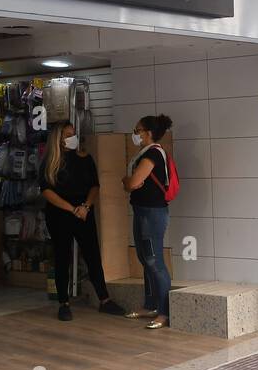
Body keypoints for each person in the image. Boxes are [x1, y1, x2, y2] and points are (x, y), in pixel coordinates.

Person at [41, 120, 128, 321]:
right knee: (62, 257)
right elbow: (47, 191)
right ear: (59, 139)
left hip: (84, 213)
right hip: (60, 214)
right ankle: (63, 303)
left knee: (92, 256)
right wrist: (72, 209)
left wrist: (86, 207)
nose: (73, 137)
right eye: (68, 134)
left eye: (73, 133)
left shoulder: (85, 158)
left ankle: (104, 299)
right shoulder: (50, 162)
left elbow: (94, 186)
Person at [122, 115, 174, 329]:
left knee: (155, 261)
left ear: (148, 132)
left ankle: (164, 312)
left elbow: (132, 183)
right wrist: (131, 183)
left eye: (138, 130)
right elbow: (135, 184)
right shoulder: (144, 153)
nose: (135, 134)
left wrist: (127, 182)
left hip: (152, 214)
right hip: (142, 211)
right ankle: (150, 305)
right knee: (145, 259)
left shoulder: (153, 153)